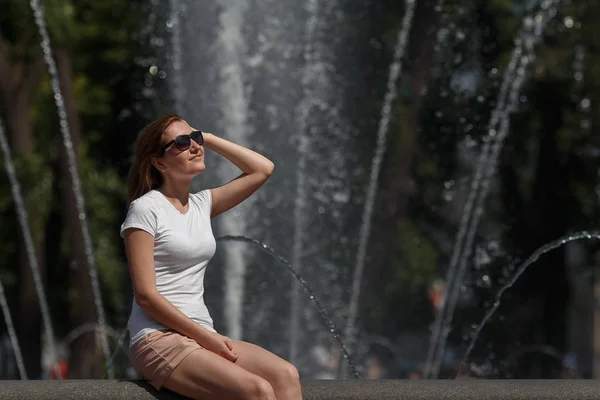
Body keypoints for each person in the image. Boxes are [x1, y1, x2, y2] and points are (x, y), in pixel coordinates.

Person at [121, 115, 302, 400]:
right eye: (181, 143)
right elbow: (145, 296)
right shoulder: (145, 209)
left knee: (286, 375)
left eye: (195, 139)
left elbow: (262, 169)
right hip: (158, 338)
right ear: (159, 163)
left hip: (201, 334)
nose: (194, 146)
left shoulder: (201, 204)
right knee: (258, 391)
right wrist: (207, 339)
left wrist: (208, 137)